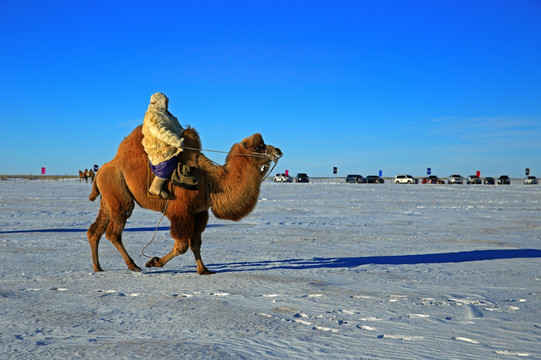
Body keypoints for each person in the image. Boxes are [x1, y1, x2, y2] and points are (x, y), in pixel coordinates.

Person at [141, 92, 184, 198]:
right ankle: (156, 187)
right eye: (165, 102)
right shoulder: (153, 114)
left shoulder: (165, 114)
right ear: (159, 102)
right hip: (159, 148)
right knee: (168, 163)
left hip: (170, 144)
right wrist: (176, 141)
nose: (167, 104)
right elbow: (160, 131)